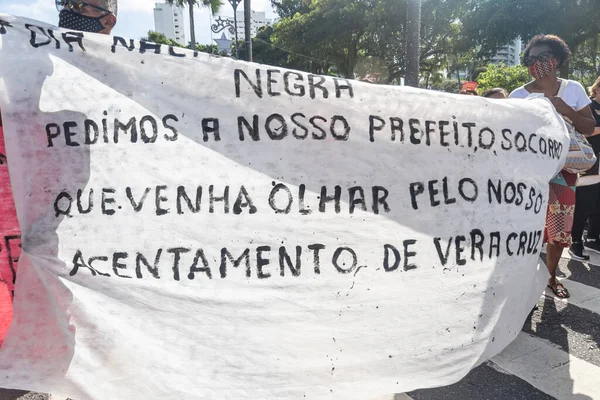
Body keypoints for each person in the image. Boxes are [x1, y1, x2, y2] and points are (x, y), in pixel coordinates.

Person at [0, 0, 119, 347]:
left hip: (53, 256)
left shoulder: (92, 103)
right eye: (64, 3)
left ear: (108, 20)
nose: (68, 10)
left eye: (81, 5)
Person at [509, 34, 596, 298]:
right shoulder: (518, 95)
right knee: (528, 225)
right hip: (528, 173)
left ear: (556, 59)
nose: (537, 63)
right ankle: (524, 278)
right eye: (531, 58)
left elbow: (590, 127)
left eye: (543, 56)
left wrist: (566, 110)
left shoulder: (573, 89)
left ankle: (550, 276)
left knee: (559, 228)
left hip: (563, 170)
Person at [574, 76, 600, 256]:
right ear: (596, 89)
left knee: (598, 205)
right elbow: (583, 131)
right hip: (589, 162)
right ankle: (575, 240)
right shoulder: (586, 107)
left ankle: (592, 238)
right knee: (584, 203)